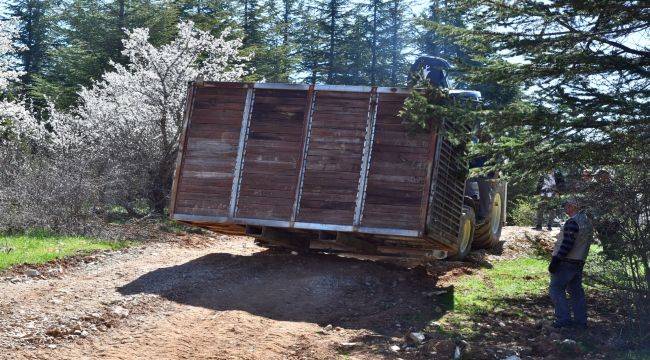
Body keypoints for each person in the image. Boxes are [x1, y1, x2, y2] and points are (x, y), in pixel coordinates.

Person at [548, 198, 594, 328]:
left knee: (556, 289)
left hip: (565, 262)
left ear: (574, 206)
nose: (565, 207)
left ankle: (563, 319)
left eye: (567, 205)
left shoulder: (573, 222)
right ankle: (581, 321)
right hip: (579, 261)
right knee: (576, 292)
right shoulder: (587, 222)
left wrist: (556, 260)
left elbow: (567, 244)